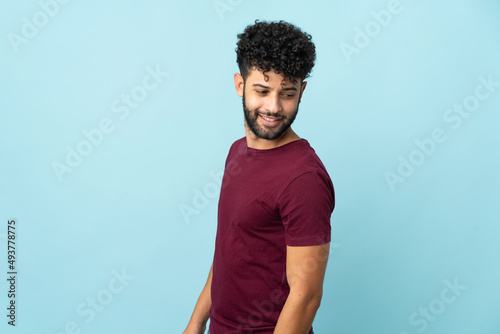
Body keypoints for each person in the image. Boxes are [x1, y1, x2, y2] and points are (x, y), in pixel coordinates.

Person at [183, 20, 335, 334]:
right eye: (262, 91)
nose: (274, 106)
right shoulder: (237, 153)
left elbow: (306, 295)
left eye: (287, 93)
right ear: (240, 84)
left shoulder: (304, 178)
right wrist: (196, 323)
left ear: (302, 91)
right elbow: (229, 251)